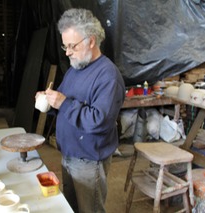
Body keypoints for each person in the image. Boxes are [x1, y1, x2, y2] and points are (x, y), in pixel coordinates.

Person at [36, 8, 125, 213]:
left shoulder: (108, 76)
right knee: (71, 207)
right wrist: (49, 103)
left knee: (89, 210)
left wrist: (63, 102)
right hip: (69, 154)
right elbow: (65, 106)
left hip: (88, 160)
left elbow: (98, 121)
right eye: (65, 46)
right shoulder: (76, 69)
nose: (67, 52)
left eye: (72, 46)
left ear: (91, 41)